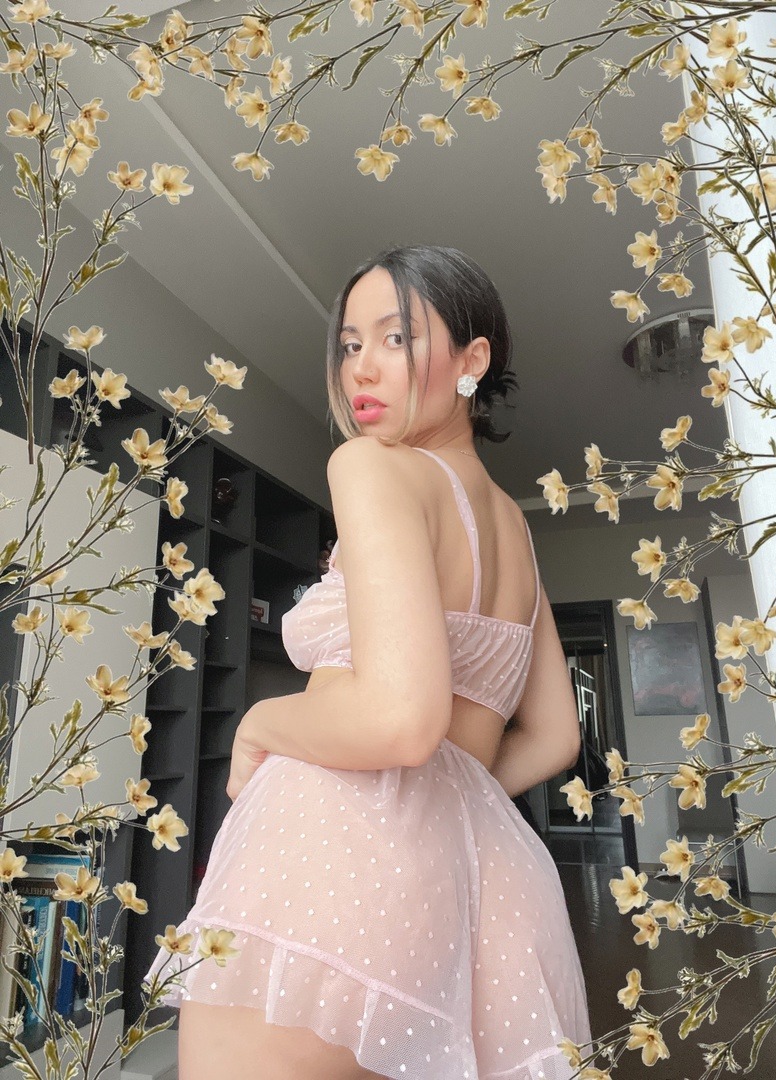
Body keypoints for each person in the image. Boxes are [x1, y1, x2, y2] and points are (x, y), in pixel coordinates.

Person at [143, 245, 593, 1079]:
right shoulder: (516, 529)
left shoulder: (373, 467)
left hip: (333, 861)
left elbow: (401, 719)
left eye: (395, 337)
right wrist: (442, 808)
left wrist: (257, 724)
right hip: (481, 891)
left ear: (473, 359)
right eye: (350, 344)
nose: (362, 367)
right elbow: (556, 736)